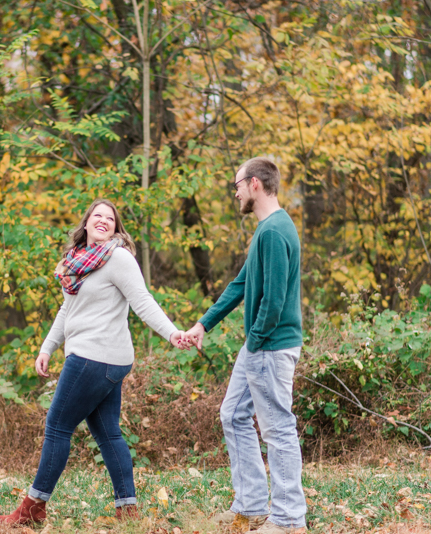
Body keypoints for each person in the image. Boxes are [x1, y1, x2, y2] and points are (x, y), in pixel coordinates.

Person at [0, 199, 186, 526]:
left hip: (93, 357)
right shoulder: (77, 263)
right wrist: (47, 347)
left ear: (115, 227)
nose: (103, 220)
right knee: (108, 433)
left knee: (57, 426)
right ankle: (127, 510)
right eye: (97, 215)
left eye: (109, 218)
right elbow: (68, 311)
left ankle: (33, 508)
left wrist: (172, 334)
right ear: (86, 223)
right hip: (104, 359)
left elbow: (142, 301)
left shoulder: (118, 257)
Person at [184, 157, 306, 534]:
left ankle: (288, 520)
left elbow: (273, 299)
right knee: (233, 414)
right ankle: (251, 507)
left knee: (278, 429)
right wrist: (204, 323)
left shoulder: (273, 231)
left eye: (236, 184)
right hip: (259, 346)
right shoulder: (267, 230)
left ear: (254, 184)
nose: (234, 191)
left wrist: (253, 343)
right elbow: (240, 285)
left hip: (269, 346)